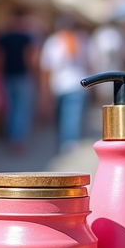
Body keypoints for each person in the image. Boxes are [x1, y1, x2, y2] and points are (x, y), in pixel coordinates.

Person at [40, 17, 89, 153]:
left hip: (59, 85)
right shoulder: (81, 40)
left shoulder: (53, 42)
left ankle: (66, 142)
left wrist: (44, 90)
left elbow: (46, 68)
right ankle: (69, 143)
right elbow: (89, 64)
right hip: (78, 85)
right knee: (72, 117)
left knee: (63, 117)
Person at [0, 9, 36, 150]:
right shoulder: (25, 37)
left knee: (11, 109)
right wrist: (32, 72)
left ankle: (12, 137)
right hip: (22, 75)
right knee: (21, 109)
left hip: (7, 76)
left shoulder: (3, 37)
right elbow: (29, 57)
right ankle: (18, 139)